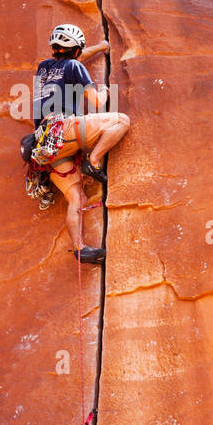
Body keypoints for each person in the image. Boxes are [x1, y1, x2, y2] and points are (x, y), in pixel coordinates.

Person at [27, 23, 130, 265]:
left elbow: (72, 59)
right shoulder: (74, 66)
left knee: (77, 198)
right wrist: (104, 91)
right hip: (66, 131)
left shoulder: (43, 69)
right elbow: (95, 101)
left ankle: (79, 249)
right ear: (75, 50)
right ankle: (93, 163)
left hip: (45, 148)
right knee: (122, 120)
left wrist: (100, 47)